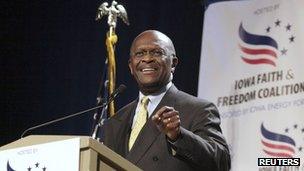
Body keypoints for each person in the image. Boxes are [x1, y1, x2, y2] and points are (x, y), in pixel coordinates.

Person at [101, 30, 231, 170]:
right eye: (140, 53)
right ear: (131, 66)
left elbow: (222, 162)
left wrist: (178, 136)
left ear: (173, 64)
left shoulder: (198, 109)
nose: (147, 59)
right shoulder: (115, 122)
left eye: (157, 52)